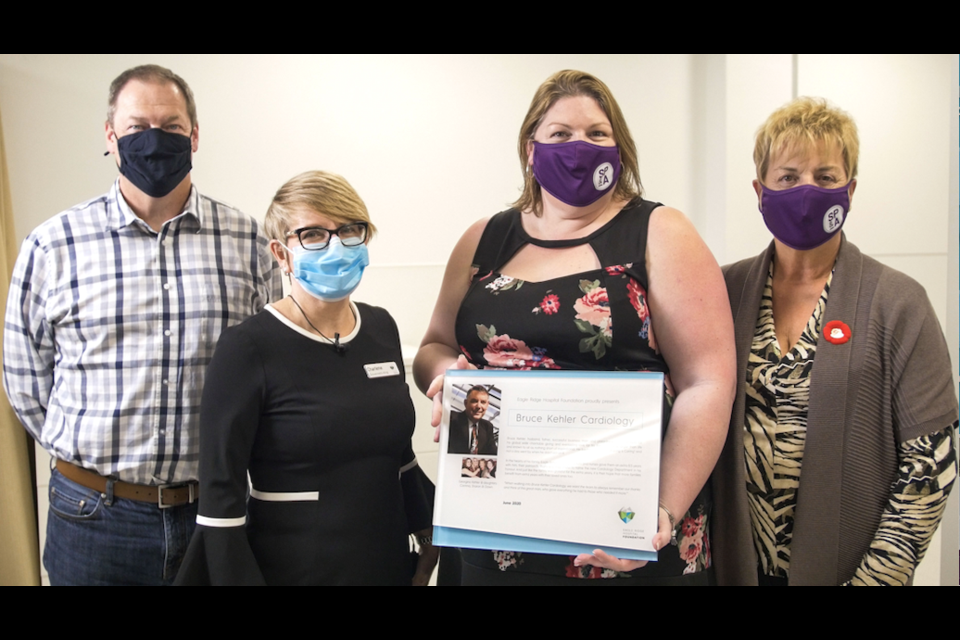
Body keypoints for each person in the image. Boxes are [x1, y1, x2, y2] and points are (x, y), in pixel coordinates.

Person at [415, 70, 736, 585]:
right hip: (494, 524)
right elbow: (434, 346)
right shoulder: (485, 239)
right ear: (530, 149)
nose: (579, 147)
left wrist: (662, 511)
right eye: (560, 134)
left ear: (620, 148)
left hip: (622, 528)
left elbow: (708, 381)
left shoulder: (659, 233)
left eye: (596, 133)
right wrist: (444, 378)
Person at [2, 64, 281, 586]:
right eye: (135, 128)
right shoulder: (53, 245)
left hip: (213, 511)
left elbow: (269, 368)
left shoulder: (246, 242)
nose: (154, 140)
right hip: (92, 516)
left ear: (195, 136)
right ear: (110, 137)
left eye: (171, 127)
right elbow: (26, 381)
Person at [712, 97, 958, 586]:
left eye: (825, 177)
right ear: (760, 191)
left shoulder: (899, 303)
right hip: (729, 569)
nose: (806, 191)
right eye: (788, 177)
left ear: (850, 189)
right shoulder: (720, 292)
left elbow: (929, 464)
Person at [175, 170, 438, 585]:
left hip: (383, 561)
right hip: (295, 568)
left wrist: (433, 531)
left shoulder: (380, 328)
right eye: (313, 235)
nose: (336, 245)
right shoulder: (247, 348)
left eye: (350, 230)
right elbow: (220, 501)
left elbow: (398, 453)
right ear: (281, 254)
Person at [447, 385, 498, 455]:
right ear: (465, 403)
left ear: (487, 405)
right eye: (474, 401)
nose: (479, 406)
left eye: (483, 402)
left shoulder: (488, 427)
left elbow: (492, 453)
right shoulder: (451, 419)